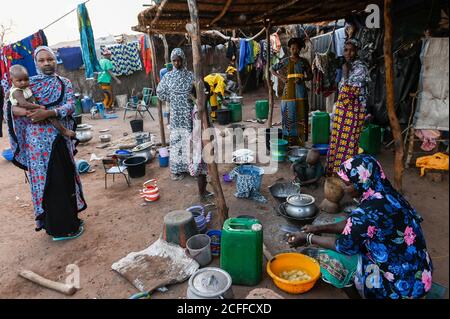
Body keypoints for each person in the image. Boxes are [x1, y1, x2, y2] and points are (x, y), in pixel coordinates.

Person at [287, 155, 433, 299]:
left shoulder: (367, 212)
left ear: (361, 182)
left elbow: (343, 246)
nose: (344, 189)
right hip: (420, 274)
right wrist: (318, 229)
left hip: (400, 288)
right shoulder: (387, 193)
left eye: (348, 184)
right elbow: (350, 225)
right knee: (346, 229)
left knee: (330, 260)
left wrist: (308, 238)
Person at [5, 46, 87, 241]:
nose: (46, 63)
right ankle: (60, 229)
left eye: (49, 59)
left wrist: (49, 113)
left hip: (60, 139)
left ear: (55, 60)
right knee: (50, 183)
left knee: (65, 178)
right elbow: (11, 107)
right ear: (36, 63)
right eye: (41, 60)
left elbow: (69, 106)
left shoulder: (64, 82)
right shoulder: (27, 84)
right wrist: (30, 113)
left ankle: (71, 221)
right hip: (38, 145)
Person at [156, 48, 213, 200]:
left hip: (188, 113)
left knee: (190, 140)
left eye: (179, 60)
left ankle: (192, 168)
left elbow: (199, 91)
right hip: (176, 114)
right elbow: (159, 91)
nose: (177, 63)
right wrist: (172, 98)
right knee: (177, 140)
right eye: (174, 60)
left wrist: (191, 99)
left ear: (183, 60)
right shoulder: (168, 77)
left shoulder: (190, 76)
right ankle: (178, 168)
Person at [326, 39, 369, 176]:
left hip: (353, 112)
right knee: (337, 140)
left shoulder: (360, 68)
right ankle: (335, 171)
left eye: (351, 50)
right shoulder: (347, 65)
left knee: (348, 144)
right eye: (346, 50)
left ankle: (347, 174)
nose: (348, 53)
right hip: (342, 111)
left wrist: (345, 73)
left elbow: (347, 93)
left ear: (357, 51)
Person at [8, 65, 75, 138]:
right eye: (20, 80)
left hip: (32, 108)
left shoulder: (25, 86)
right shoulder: (17, 91)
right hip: (28, 110)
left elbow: (71, 105)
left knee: (49, 116)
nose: (23, 83)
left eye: (26, 79)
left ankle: (62, 130)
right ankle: (64, 131)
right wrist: (39, 106)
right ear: (12, 80)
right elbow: (24, 104)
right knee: (51, 118)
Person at [271, 37, 312, 146]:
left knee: (301, 112)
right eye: (293, 48)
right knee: (288, 113)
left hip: (300, 90)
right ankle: (288, 140)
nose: (295, 50)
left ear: (300, 49)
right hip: (288, 91)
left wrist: (303, 79)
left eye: (297, 49)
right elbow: (272, 69)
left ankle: (301, 141)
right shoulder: (285, 60)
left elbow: (311, 76)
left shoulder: (304, 62)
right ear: (290, 49)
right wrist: (281, 77)